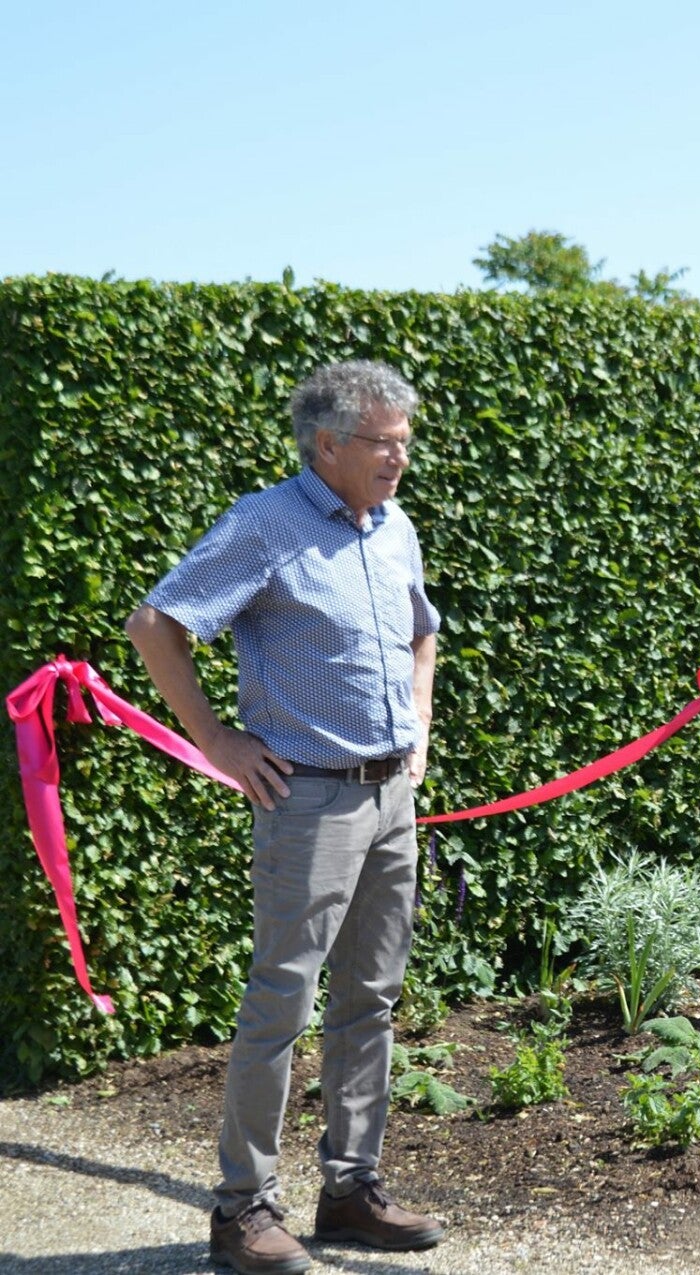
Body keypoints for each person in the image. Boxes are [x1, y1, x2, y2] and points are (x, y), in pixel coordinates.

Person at [126, 360, 445, 1275]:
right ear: (328, 444)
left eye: (404, 441)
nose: (398, 457)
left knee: (370, 1000)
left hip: (391, 795)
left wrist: (417, 723)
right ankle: (242, 1210)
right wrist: (218, 741)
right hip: (306, 796)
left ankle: (349, 1189)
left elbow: (423, 630)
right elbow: (157, 625)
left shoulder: (393, 529)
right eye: (383, 442)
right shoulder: (265, 525)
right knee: (282, 1002)